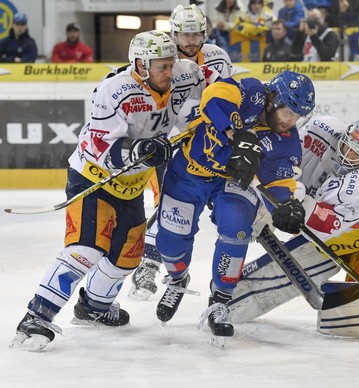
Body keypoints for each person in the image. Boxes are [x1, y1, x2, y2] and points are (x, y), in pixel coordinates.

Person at [10, 30, 207, 351]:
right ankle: (37, 315)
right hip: (93, 178)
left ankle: (93, 307)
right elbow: (101, 145)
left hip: (131, 186)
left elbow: (213, 91)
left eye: (172, 64)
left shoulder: (184, 75)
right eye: (162, 66)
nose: (170, 72)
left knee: (127, 257)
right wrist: (140, 149)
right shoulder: (113, 91)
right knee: (86, 249)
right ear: (141, 65)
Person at [153, 70, 315, 343]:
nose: (291, 121)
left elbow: (279, 181)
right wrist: (237, 132)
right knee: (170, 241)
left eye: (298, 116)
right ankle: (178, 278)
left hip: (231, 182)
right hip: (189, 172)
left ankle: (220, 300)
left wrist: (286, 206)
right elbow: (213, 97)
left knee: (237, 226)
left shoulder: (285, 142)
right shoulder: (250, 90)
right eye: (288, 111)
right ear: (272, 99)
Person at [227, 115, 359, 325]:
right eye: (347, 145)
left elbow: (320, 225)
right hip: (351, 228)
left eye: (357, 153)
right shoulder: (322, 127)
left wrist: (289, 207)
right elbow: (287, 157)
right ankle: (228, 293)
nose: (348, 154)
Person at [128, 3, 235, 300]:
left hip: (207, 143)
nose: (190, 40)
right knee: (166, 201)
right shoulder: (160, 59)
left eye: (195, 33)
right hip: (169, 140)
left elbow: (225, 97)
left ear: (204, 33)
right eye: (184, 34)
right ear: (174, 33)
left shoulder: (217, 57)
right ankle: (149, 264)